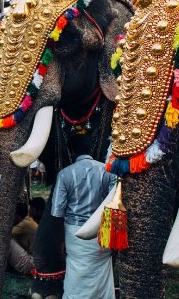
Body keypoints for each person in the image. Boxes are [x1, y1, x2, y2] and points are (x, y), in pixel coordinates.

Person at [50, 127, 117, 299]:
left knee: (76, 271)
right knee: (101, 271)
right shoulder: (108, 171)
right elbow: (115, 203)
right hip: (102, 231)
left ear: (72, 153)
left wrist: (61, 240)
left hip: (74, 233)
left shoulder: (65, 174)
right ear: (91, 151)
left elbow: (57, 213)